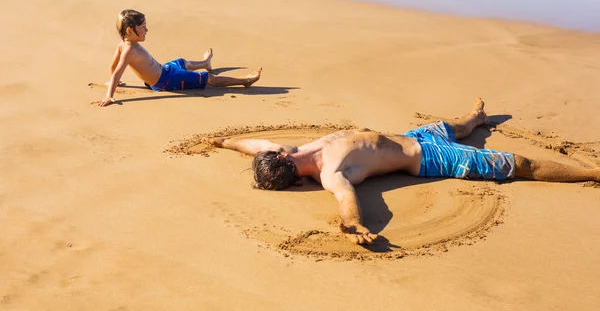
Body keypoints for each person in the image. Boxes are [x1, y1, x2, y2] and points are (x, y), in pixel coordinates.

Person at [210, 98, 600, 245]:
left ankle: (475, 117)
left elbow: (255, 145)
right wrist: (354, 228)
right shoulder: (330, 172)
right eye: (275, 152)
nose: (274, 146)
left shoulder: (291, 152)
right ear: (287, 166)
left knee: (460, 127)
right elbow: (348, 200)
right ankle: (593, 174)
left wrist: (226, 143)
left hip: (412, 136)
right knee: (519, 166)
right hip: (431, 160)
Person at [97, 9, 262, 107]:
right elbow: (118, 69)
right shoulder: (129, 50)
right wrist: (110, 95)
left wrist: (115, 81)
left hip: (165, 70)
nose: (147, 30)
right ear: (129, 31)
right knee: (209, 79)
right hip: (165, 81)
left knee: (182, 62)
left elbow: (112, 67)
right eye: (143, 27)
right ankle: (244, 81)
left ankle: (205, 62)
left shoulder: (123, 45)